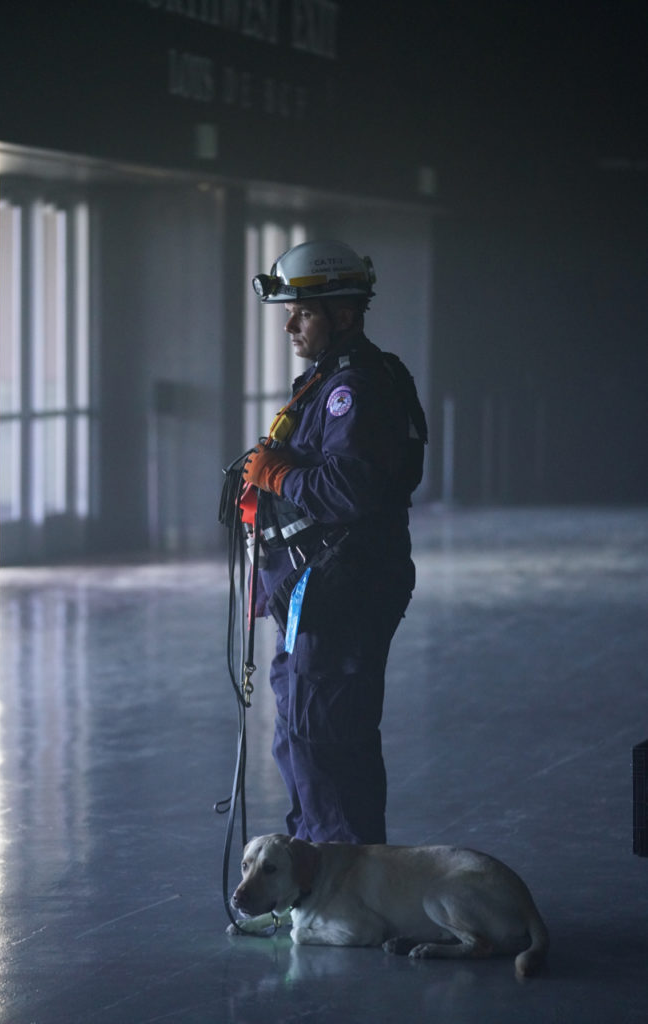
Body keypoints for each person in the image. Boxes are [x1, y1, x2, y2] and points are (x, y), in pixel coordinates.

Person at [241, 240, 425, 845]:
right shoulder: (330, 379)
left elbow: (350, 487)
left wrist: (278, 476)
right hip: (317, 587)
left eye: (302, 313)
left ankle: (345, 874)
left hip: (343, 588)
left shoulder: (355, 387)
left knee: (324, 736)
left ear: (343, 314)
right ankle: (316, 870)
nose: (289, 325)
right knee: (301, 734)